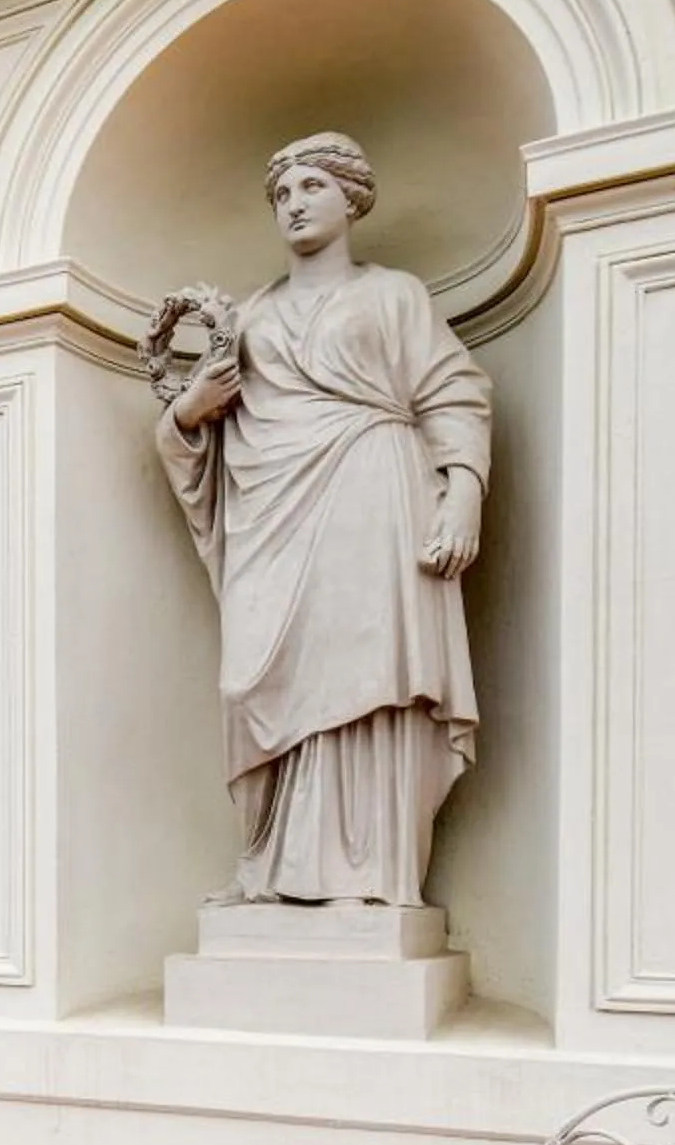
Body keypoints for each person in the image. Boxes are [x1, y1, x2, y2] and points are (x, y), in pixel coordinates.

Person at [155, 132, 493, 907]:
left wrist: (463, 487)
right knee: (254, 680)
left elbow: (454, 391)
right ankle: (271, 865)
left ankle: (367, 877)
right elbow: (200, 435)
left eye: (312, 186)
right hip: (273, 507)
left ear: (351, 198)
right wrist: (188, 410)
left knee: (369, 674)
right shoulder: (252, 317)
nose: (294, 204)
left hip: (376, 492)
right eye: (282, 194)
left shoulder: (394, 295)